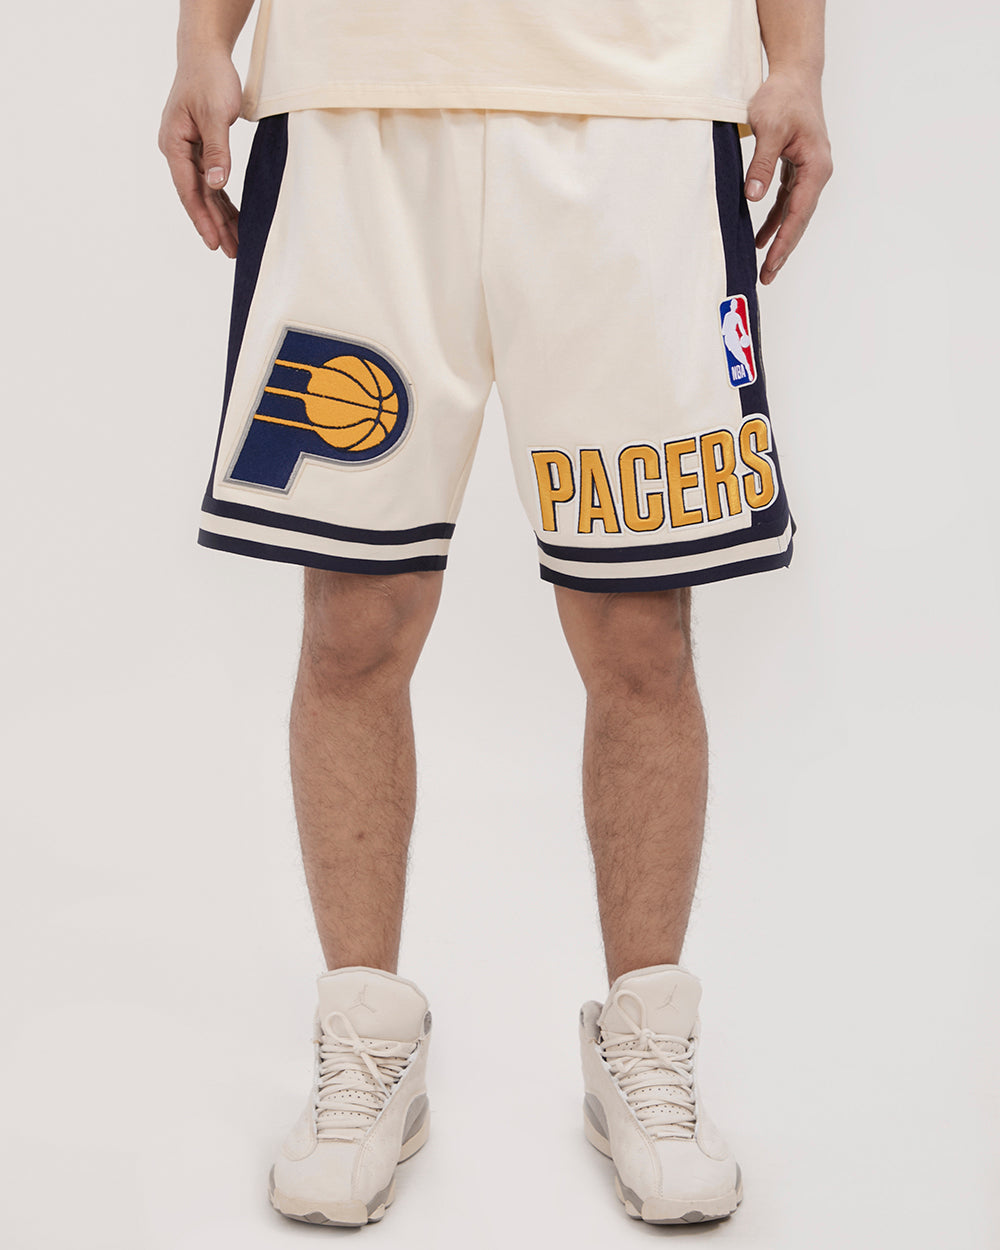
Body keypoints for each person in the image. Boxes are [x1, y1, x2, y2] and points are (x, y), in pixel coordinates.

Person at [159, 0, 832, 1228]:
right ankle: (366, 1041)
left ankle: (645, 1043)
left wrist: (797, 62)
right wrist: (203, 39)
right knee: (354, 616)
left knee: (637, 625)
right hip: (358, 102)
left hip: (637, 109)